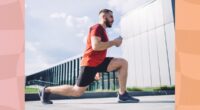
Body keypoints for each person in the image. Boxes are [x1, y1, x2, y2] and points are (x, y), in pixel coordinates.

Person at [39, 9, 140, 104]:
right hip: (90, 63)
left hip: (98, 62)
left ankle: (122, 95)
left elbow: (98, 51)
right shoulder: (97, 28)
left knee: (122, 63)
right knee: (77, 91)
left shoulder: (103, 31)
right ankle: (46, 90)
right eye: (111, 17)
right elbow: (96, 46)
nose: (113, 19)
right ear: (104, 16)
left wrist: (98, 69)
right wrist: (114, 42)